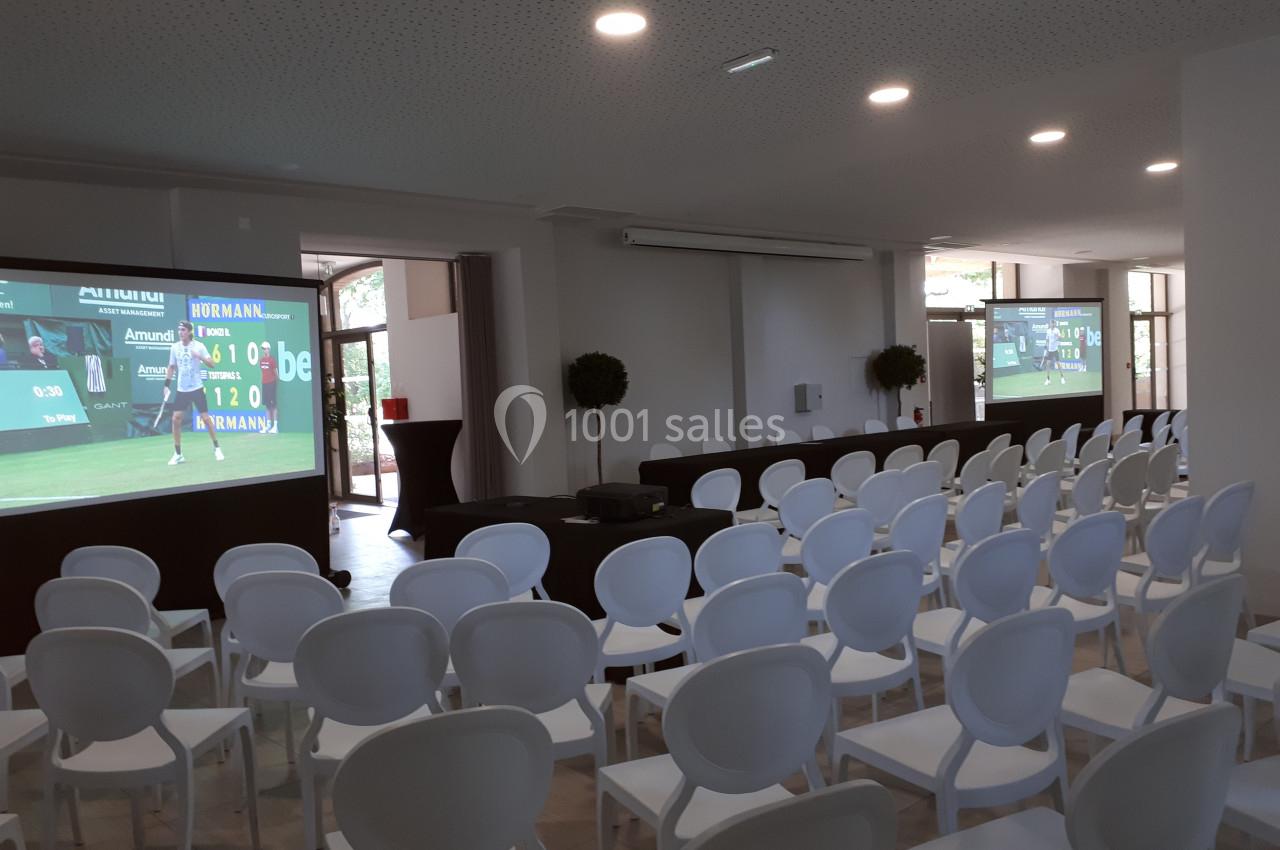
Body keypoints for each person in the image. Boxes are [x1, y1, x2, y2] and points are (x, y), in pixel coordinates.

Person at [165, 320, 223, 464]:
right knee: (175, 419)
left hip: (196, 388)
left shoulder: (199, 346)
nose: (180, 332)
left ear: (190, 332)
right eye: (179, 330)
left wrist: (199, 356)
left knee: (205, 419)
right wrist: (166, 385)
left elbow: (212, 364)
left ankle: (217, 448)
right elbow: (171, 367)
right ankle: (178, 454)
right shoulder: (174, 347)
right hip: (182, 389)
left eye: (183, 330)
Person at [258, 341, 279, 434]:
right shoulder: (261, 360)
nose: (264, 350)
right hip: (264, 384)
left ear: (269, 349)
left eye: (266, 348)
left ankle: (275, 426)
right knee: (267, 406)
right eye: (263, 348)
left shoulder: (272, 360)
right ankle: (268, 425)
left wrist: (276, 380)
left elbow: (275, 372)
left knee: (273, 405)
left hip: (272, 383)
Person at [1041, 318, 1066, 386]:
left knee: (1058, 364)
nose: (1052, 324)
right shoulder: (1048, 331)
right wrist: (1046, 345)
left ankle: (1062, 378)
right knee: (1048, 364)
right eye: (1051, 323)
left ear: (1054, 324)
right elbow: (1047, 339)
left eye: (1053, 323)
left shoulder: (1057, 330)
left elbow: (1061, 337)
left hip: (1055, 350)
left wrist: (1058, 336)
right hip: (1050, 350)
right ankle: (1048, 379)